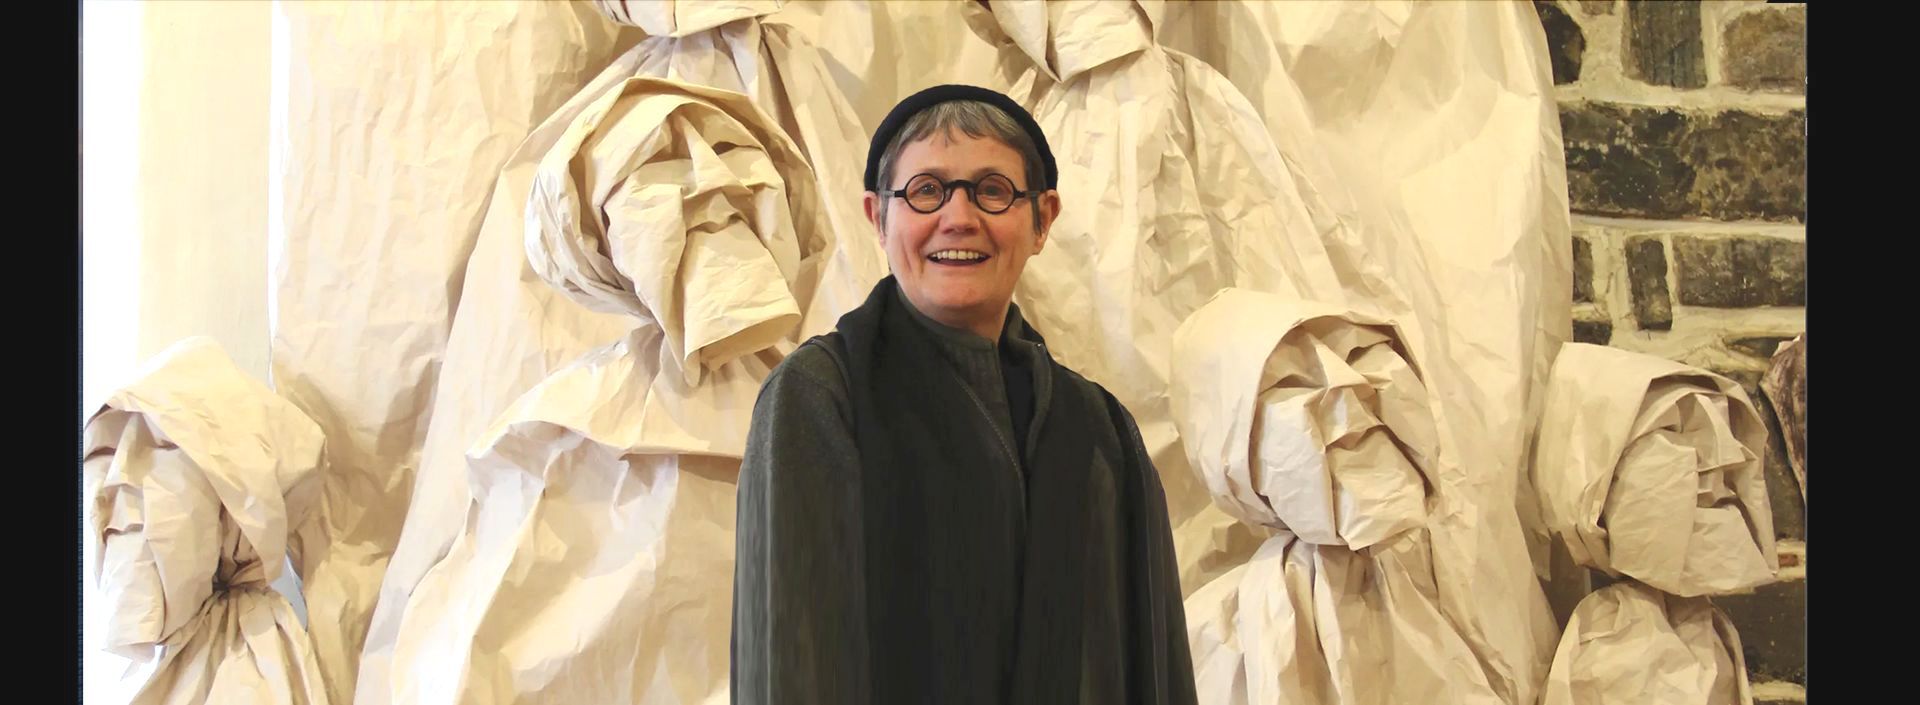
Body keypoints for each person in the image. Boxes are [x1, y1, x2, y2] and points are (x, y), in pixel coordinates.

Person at [731, 84, 1197, 705]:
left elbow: (1153, 666)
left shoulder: (1100, 427)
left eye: (993, 190)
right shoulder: (821, 399)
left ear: (1043, 219)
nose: (958, 217)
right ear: (878, 216)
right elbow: (787, 667)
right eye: (926, 190)